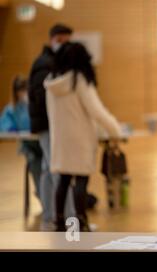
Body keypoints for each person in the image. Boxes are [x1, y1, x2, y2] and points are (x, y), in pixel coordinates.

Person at [44, 42, 122, 231]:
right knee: (81, 180)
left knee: (63, 180)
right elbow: (96, 110)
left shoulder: (51, 81)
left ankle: (59, 221)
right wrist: (115, 131)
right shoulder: (78, 80)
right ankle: (81, 221)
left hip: (60, 138)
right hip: (80, 138)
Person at [28, 23, 75, 231]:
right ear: (53, 39)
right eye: (62, 41)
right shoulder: (44, 63)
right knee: (57, 169)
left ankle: (51, 214)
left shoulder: (54, 62)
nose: (65, 46)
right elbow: (41, 97)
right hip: (48, 125)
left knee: (50, 168)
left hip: (52, 124)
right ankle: (69, 217)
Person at [0, 76, 42, 203]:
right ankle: (41, 192)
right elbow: (4, 125)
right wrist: (11, 129)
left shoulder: (34, 105)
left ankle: (47, 193)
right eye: (20, 90)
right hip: (28, 146)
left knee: (49, 167)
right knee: (35, 165)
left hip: (41, 143)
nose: (23, 93)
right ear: (15, 92)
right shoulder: (11, 108)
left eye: (25, 90)